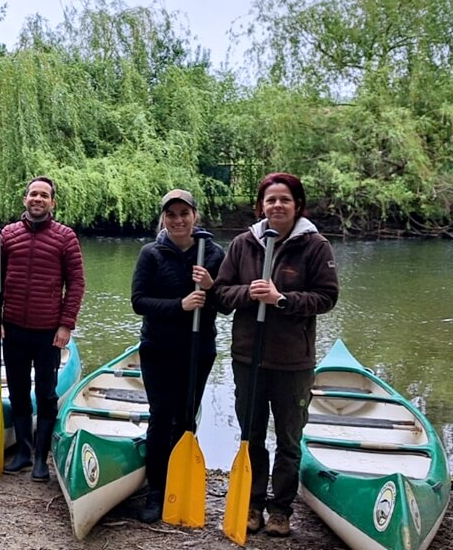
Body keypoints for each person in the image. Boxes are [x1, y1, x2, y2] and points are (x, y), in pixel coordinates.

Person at [213, 173, 339, 537]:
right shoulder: (243, 244)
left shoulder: (315, 246)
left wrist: (281, 299)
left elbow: (327, 298)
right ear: (261, 206)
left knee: (288, 439)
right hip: (248, 358)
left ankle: (281, 509)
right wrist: (249, 295)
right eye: (270, 200)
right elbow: (222, 294)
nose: (277, 206)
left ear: (297, 205)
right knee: (250, 434)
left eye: (284, 199)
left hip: (292, 362)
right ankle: (252, 503)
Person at [130, 189, 226, 521]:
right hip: (158, 349)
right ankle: (156, 489)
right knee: (160, 417)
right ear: (164, 218)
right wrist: (179, 306)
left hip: (198, 351)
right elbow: (139, 301)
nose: (178, 220)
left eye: (184, 213)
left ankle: (179, 480)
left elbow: (226, 307)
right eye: (171, 215)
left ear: (195, 216)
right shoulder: (151, 253)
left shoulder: (213, 254)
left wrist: (212, 287)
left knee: (185, 419)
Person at [0, 176, 85, 482]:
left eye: (44, 195)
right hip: (13, 328)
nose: (37, 199)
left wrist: (66, 324)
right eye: (33, 194)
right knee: (17, 392)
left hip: (47, 333)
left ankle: (42, 459)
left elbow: (77, 284)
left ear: (52, 202)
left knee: (45, 394)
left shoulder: (65, 237)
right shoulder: (8, 235)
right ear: (25, 199)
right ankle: (23, 453)